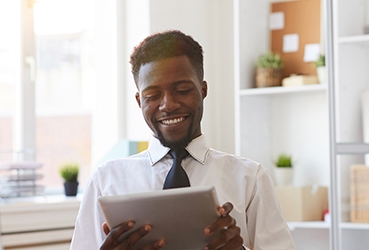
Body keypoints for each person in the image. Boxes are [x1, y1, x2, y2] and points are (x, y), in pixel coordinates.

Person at [70, 30, 296, 250]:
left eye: (182, 89)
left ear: (203, 89)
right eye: (152, 96)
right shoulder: (105, 182)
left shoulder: (250, 180)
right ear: (139, 101)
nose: (168, 105)